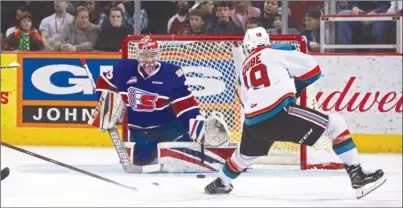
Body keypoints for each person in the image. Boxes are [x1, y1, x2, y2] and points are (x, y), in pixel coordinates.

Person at [204, 27, 386, 199]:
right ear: (267, 40)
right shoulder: (276, 51)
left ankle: (220, 182)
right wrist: (295, 88)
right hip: (280, 113)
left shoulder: (244, 68)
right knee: (335, 124)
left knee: (244, 156)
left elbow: (245, 100)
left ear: (247, 45)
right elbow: (314, 70)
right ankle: (357, 176)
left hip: (253, 122)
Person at [88, 36, 229, 172]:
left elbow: (185, 105)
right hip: (140, 132)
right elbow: (103, 83)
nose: (149, 60)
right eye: (145, 55)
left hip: (168, 128)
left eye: (152, 55)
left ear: (158, 54)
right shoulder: (124, 68)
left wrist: (195, 121)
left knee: (183, 154)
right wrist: (105, 108)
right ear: (138, 55)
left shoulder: (172, 73)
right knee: (139, 160)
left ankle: (217, 153)